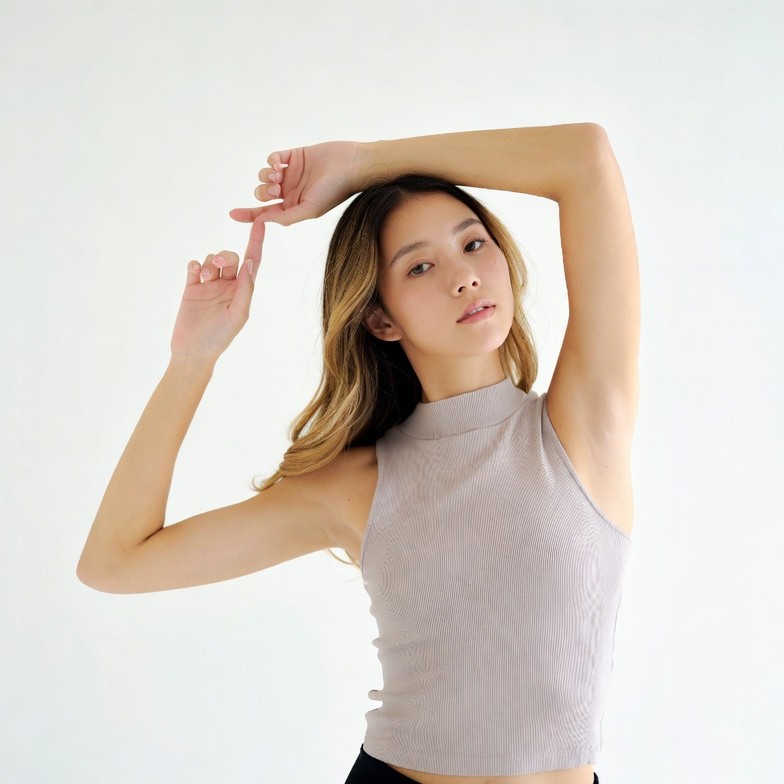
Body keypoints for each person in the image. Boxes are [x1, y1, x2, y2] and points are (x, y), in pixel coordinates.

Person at [77, 124, 639, 784]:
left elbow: (585, 158)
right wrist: (193, 360)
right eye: (420, 266)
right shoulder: (358, 483)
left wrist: (361, 166)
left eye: (473, 242)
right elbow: (114, 563)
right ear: (381, 319)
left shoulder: (583, 422)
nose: (462, 276)